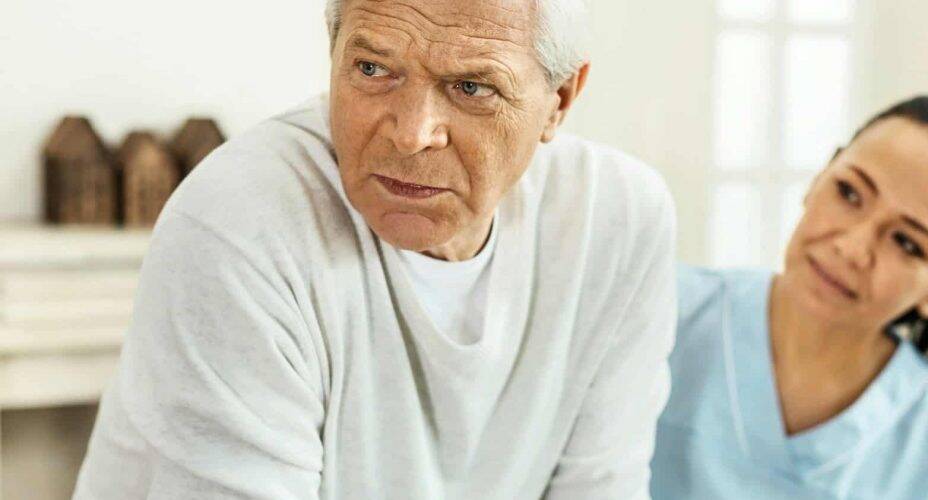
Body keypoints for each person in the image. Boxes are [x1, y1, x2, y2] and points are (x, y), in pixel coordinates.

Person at [74, 0, 677, 498]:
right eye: (371, 70)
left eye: (472, 87)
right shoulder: (239, 221)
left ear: (561, 99)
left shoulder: (619, 220)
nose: (412, 133)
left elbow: (602, 486)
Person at [651, 95, 928, 499]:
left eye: (906, 242)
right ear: (819, 178)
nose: (852, 248)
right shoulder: (658, 311)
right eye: (849, 193)